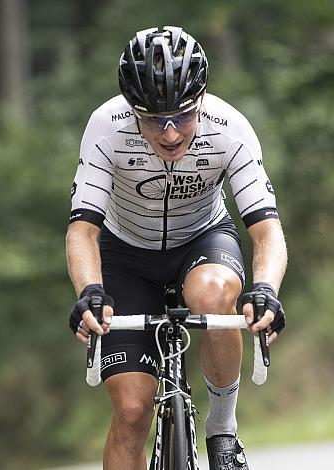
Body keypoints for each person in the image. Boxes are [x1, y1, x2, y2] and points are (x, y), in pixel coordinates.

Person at [67, 26, 287, 470]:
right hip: (126, 253)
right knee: (131, 412)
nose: (169, 134)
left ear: (202, 99)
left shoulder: (231, 127)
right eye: (152, 119)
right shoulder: (105, 127)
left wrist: (265, 288)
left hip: (202, 240)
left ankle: (222, 430)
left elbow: (267, 230)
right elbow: (83, 230)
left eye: (183, 116)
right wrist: (90, 291)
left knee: (215, 293)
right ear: (131, 109)